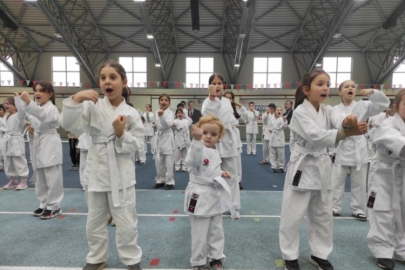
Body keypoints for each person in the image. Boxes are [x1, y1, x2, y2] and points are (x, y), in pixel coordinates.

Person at [279, 70, 368, 270]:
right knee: (293, 215)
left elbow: (339, 118)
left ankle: (319, 254)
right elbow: (316, 135)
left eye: (328, 84)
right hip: (303, 166)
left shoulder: (328, 110)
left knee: (323, 215)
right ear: (306, 90)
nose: (325, 88)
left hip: (322, 166)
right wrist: (347, 133)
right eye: (320, 84)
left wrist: (347, 122)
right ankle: (289, 255)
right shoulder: (300, 112)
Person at [60, 60, 144, 270]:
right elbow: (69, 124)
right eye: (103, 77)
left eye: (113, 77)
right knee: (94, 220)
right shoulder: (91, 105)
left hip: (121, 174)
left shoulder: (131, 113)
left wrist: (120, 133)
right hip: (96, 168)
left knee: (126, 221)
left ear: (124, 82)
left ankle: (131, 259)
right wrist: (76, 99)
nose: (107, 81)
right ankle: (96, 258)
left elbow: (138, 142)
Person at [331, 80, 390, 221]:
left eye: (353, 86)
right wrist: (347, 122)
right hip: (341, 148)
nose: (350, 88)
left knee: (359, 182)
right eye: (346, 86)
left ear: (355, 91)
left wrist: (373, 93)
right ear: (340, 92)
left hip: (359, 149)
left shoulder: (364, 105)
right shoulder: (335, 109)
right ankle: (334, 207)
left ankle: (358, 209)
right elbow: (336, 122)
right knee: (337, 182)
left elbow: (383, 104)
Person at [184, 115, 235, 270]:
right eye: (205, 132)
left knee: (216, 229)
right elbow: (194, 161)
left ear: (219, 137)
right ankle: (198, 261)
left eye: (213, 134)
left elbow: (211, 170)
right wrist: (196, 140)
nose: (208, 136)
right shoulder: (196, 147)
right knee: (199, 232)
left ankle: (216, 257)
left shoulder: (215, 151)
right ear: (198, 131)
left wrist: (221, 173)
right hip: (198, 195)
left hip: (213, 194)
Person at [367, 89, 405, 270]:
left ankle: (401, 248)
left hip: (402, 174)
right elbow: (394, 140)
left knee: (402, 211)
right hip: (383, 172)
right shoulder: (387, 124)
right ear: (396, 107)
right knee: (382, 209)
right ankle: (382, 248)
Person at [16, 82, 64, 218]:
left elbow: (43, 116)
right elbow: (28, 117)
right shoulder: (36, 108)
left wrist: (27, 102)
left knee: (52, 175)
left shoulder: (52, 108)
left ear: (50, 94)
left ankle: (54, 206)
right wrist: (19, 103)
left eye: (41, 91)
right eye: (36, 91)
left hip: (50, 142)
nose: (37, 93)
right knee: (40, 175)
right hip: (38, 141)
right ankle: (43, 203)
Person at [202, 73, 241, 219]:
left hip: (228, 140)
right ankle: (214, 204)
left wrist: (231, 128)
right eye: (214, 83)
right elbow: (207, 118)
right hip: (213, 140)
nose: (217, 86)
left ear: (224, 85)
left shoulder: (227, 101)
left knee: (232, 174)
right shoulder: (207, 102)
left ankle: (234, 205)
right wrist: (212, 99)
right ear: (209, 86)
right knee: (213, 173)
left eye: (220, 83)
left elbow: (231, 119)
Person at [2, 96, 29, 191]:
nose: (5, 105)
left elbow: (22, 109)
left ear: (15, 106)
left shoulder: (19, 115)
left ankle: (23, 180)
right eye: (5, 103)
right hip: (7, 140)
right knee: (8, 161)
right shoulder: (5, 117)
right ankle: (13, 180)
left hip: (16, 139)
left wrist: (18, 98)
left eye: (8, 103)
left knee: (19, 160)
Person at [223, 91, 246, 190]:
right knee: (226, 162)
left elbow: (245, 117)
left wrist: (240, 105)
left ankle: (238, 181)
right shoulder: (221, 109)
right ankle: (226, 179)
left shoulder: (235, 111)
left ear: (232, 100)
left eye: (230, 98)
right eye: (226, 98)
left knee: (237, 162)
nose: (228, 99)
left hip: (235, 138)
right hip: (224, 138)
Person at [154, 94, 175, 190]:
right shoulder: (156, 112)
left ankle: (169, 181)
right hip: (159, 138)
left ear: (169, 103)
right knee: (159, 161)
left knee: (168, 162)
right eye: (161, 100)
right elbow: (158, 126)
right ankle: (160, 180)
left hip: (167, 138)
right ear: (159, 102)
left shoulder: (171, 113)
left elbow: (167, 125)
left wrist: (162, 117)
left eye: (166, 100)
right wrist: (160, 121)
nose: (163, 101)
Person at [270, 106, 288, 173]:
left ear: (281, 112)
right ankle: (273, 166)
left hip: (280, 137)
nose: (279, 111)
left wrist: (284, 121)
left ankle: (281, 167)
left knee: (281, 154)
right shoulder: (271, 118)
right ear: (275, 111)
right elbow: (270, 126)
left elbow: (285, 127)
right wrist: (270, 129)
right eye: (277, 110)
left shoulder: (283, 119)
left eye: (280, 110)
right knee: (272, 154)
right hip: (273, 137)